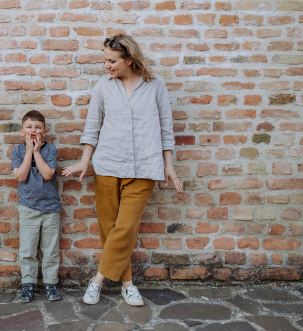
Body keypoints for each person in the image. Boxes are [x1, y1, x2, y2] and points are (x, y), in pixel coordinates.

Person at [62, 33, 182, 307]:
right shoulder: (103, 86)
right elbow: (93, 125)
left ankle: (97, 280)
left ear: (129, 60)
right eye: (105, 60)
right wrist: (84, 161)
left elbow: (166, 128)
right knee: (110, 228)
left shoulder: (155, 85)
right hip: (108, 165)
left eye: (112, 61)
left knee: (125, 228)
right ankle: (128, 284)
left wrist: (169, 167)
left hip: (146, 167)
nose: (107, 65)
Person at [11, 110, 62, 302]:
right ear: (22, 132)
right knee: (28, 249)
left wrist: (37, 152)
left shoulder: (50, 150)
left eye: (38, 127)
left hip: (50, 208)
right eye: (29, 127)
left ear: (45, 131)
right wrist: (29, 151)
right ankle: (28, 283)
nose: (34, 130)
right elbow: (21, 176)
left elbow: (48, 174)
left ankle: (51, 283)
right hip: (28, 207)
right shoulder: (17, 151)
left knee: (50, 249)